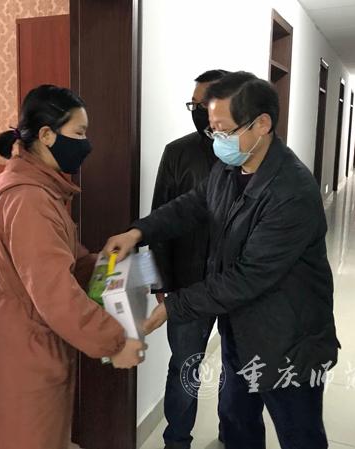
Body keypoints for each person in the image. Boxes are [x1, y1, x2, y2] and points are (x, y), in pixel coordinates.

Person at [104, 72, 340, 449]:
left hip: (288, 338)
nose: (216, 140)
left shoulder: (291, 191)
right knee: (236, 420)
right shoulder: (230, 168)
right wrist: (138, 232)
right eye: (212, 129)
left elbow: (248, 277)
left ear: (262, 124)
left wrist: (172, 308)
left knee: (299, 431)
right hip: (240, 328)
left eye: (224, 130)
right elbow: (191, 205)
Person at [0, 85, 146, 449]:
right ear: (46, 135)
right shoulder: (30, 200)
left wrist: (105, 263)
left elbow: (61, 262)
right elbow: (56, 294)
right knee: (27, 437)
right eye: (79, 133)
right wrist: (116, 341)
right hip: (23, 348)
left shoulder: (36, 190)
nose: (86, 144)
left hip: (23, 337)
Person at [150, 68, 233, 449]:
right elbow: (160, 218)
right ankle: (177, 440)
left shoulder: (251, 151)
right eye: (193, 104)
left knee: (238, 365)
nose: (198, 111)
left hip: (238, 283)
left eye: (205, 103)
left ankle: (233, 432)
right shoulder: (178, 153)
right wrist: (160, 281)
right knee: (184, 365)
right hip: (188, 283)